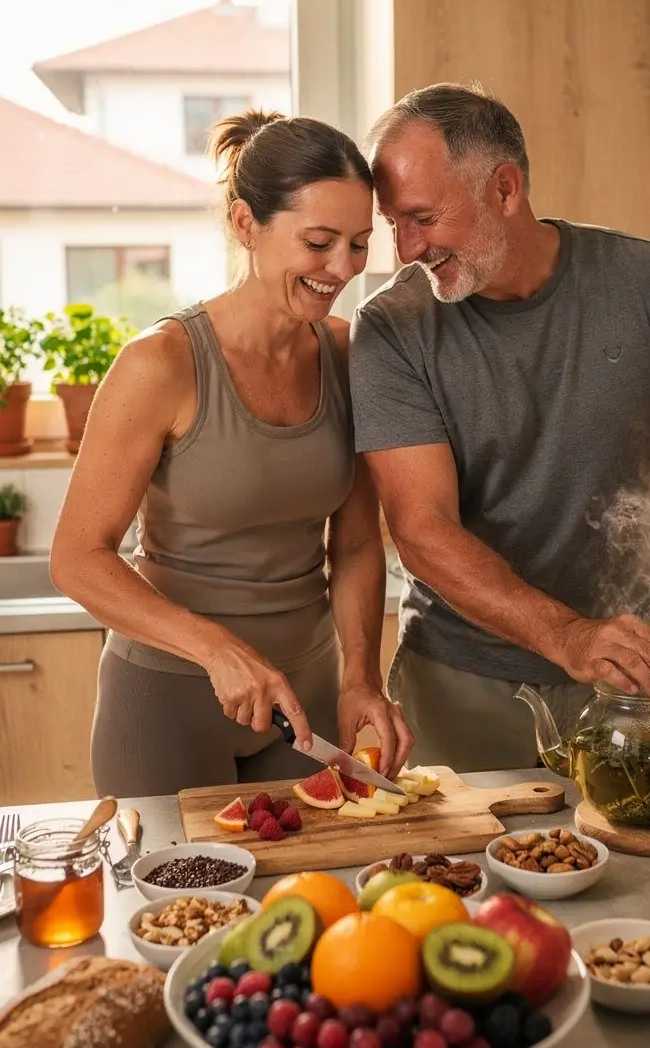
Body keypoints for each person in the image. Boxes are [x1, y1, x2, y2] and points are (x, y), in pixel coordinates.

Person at [349, 84, 650, 771]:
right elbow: (422, 527)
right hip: (460, 687)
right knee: (445, 882)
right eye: (393, 222)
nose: (405, 248)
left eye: (421, 218)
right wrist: (567, 635)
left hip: (630, 678)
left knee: (633, 871)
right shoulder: (392, 326)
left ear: (504, 190)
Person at [51, 109, 414, 795]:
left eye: (361, 244)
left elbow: (360, 542)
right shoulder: (161, 363)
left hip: (304, 703)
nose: (343, 269)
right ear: (248, 225)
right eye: (319, 242)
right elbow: (76, 558)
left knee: (310, 902)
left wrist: (360, 676)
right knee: (177, 906)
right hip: (168, 703)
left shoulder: (348, 355)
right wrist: (217, 648)